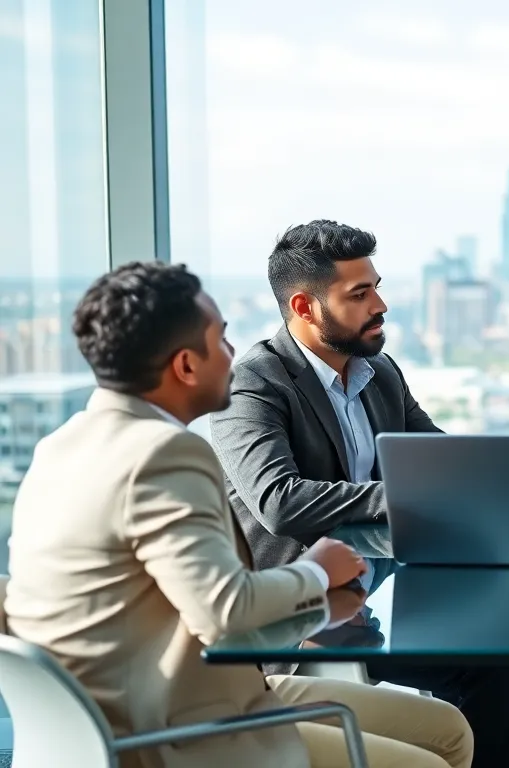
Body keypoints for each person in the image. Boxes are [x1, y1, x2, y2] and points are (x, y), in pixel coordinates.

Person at [4, 262, 472, 768]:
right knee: (429, 762)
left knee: (447, 730)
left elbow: (185, 600)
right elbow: (224, 611)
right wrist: (318, 573)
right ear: (186, 365)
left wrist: (318, 607)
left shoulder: (59, 446)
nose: (233, 356)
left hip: (148, 703)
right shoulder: (162, 454)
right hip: (175, 727)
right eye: (221, 341)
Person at [209, 220, 509, 768]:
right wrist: (408, 493)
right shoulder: (256, 383)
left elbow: (439, 461)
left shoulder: (378, 372)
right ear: (305, 307)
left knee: (497, 657)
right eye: (359, 294)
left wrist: (503, 479)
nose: (380, 304)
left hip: (372, 598)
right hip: (290, 622)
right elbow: (281, 501)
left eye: (376, 285)